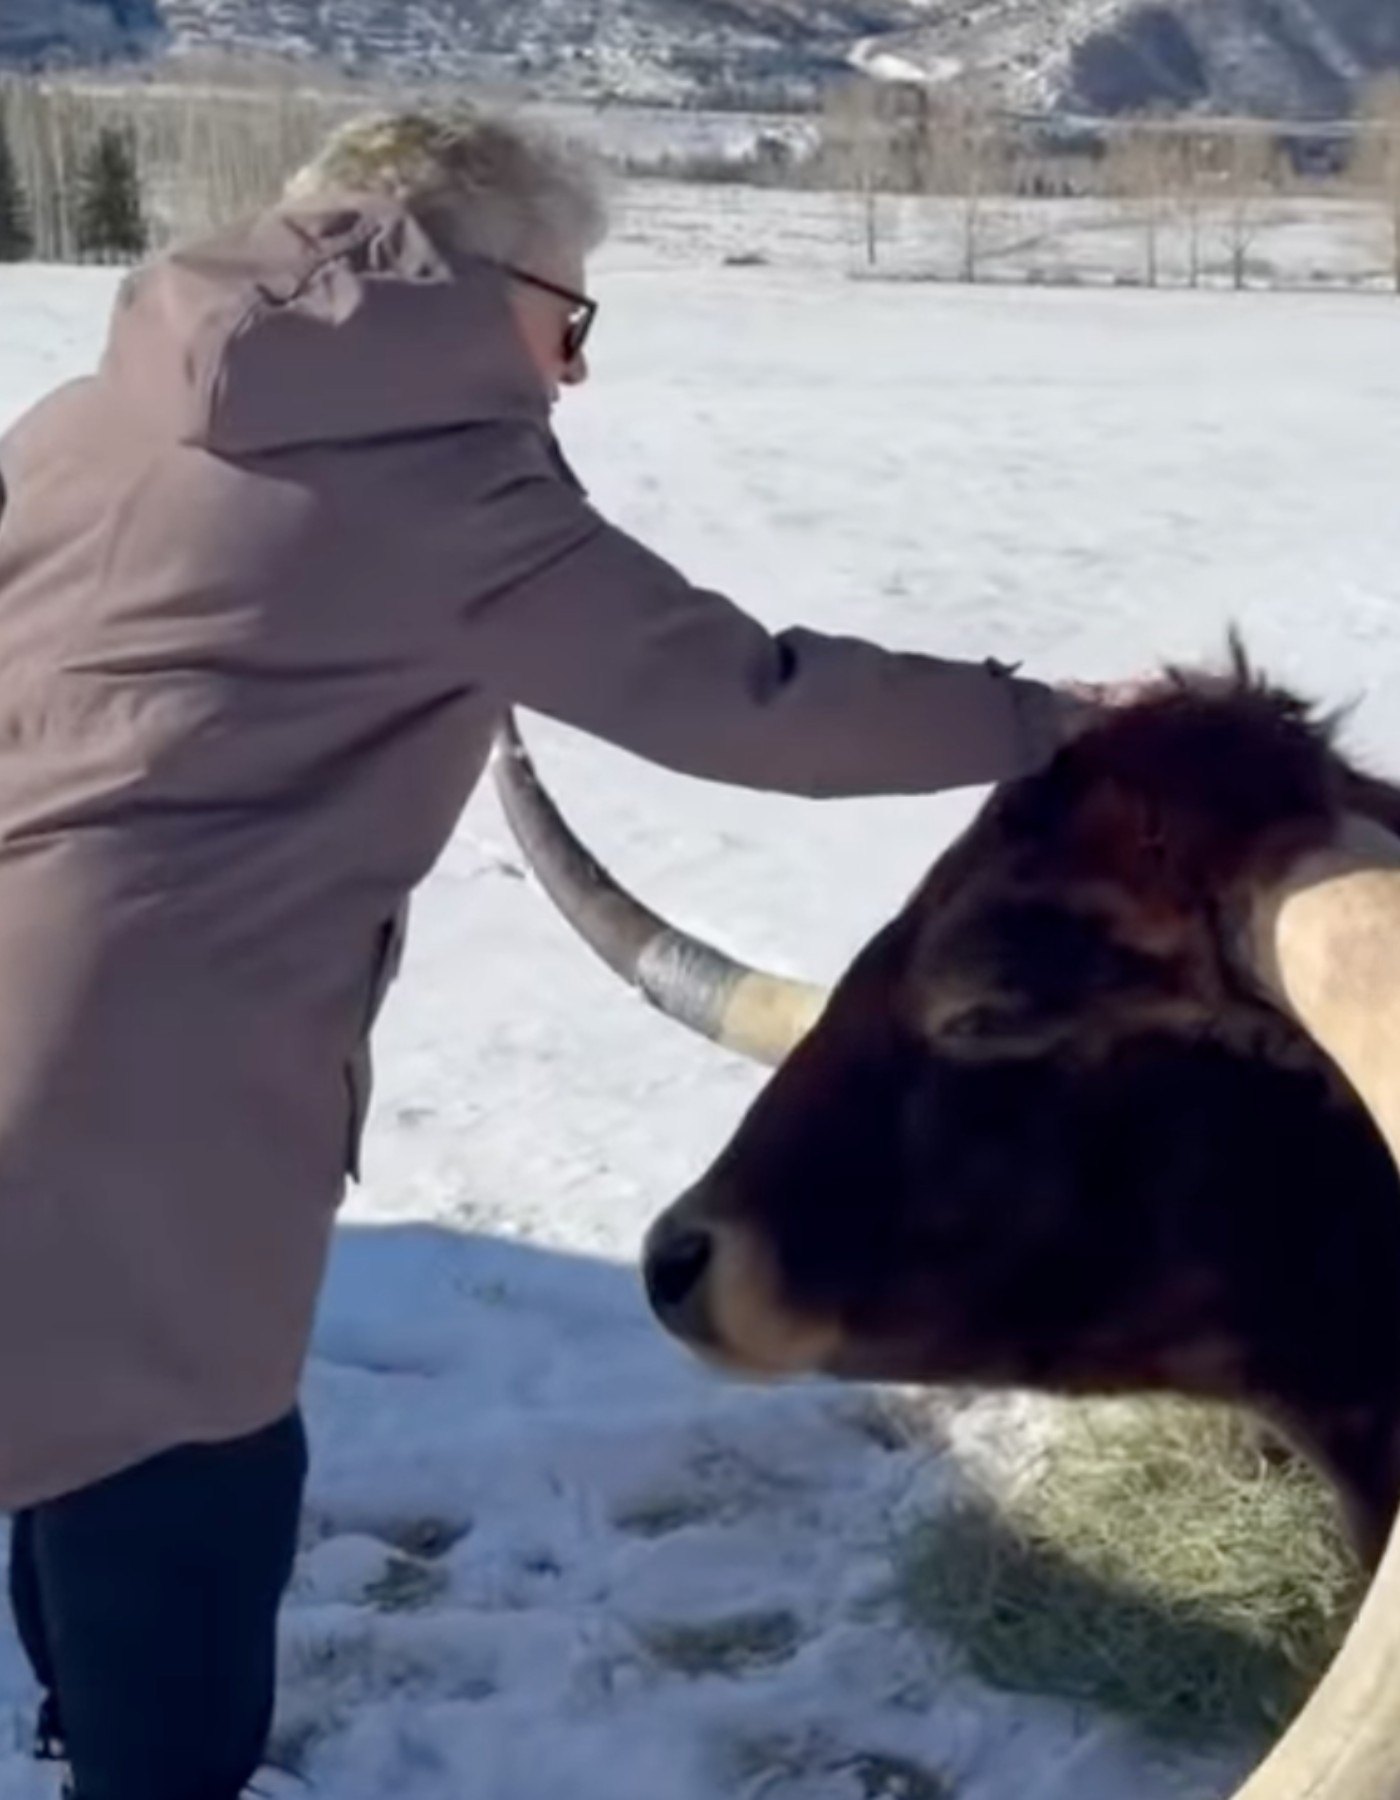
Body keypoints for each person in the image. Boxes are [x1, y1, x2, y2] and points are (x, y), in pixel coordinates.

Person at [0, 104, 1124, 1800]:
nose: (576, 366)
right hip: (151, 1043)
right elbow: (750, 701)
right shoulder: (439, 481)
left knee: (61, 1387)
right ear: (469, 282)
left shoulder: (98, 409)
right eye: (570, 312)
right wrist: (1046, 721)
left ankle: (80, 1725)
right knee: (184, 1452)